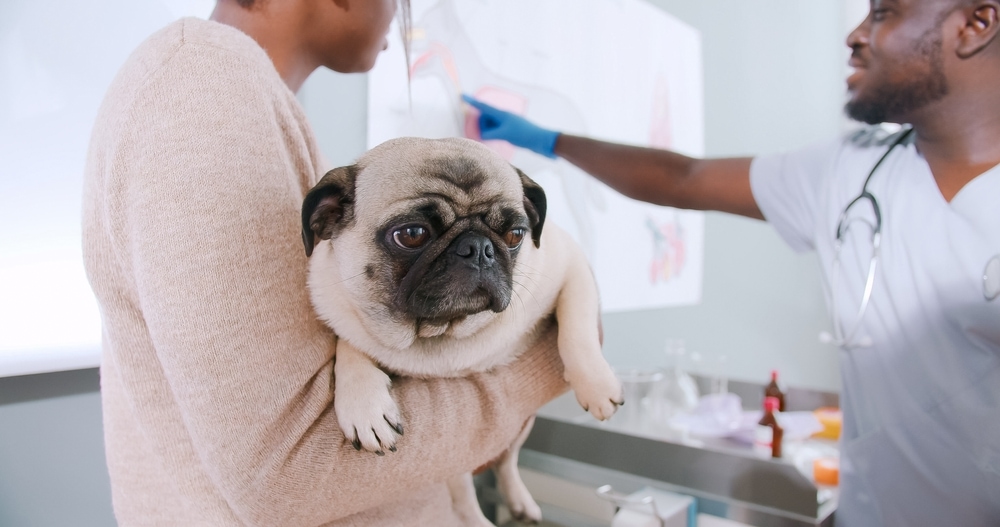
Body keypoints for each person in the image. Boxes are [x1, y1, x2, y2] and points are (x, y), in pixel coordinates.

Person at [464, 1, 1000, 525]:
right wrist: (544, 139)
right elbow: (683, 179)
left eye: (884, 13)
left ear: (975, 24)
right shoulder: (854, 169)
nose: (855, 34)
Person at [82, 0, 568, 525]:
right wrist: (540, 368)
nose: (402, 19)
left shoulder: (230, 91)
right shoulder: (202, 96)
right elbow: (289, 474)